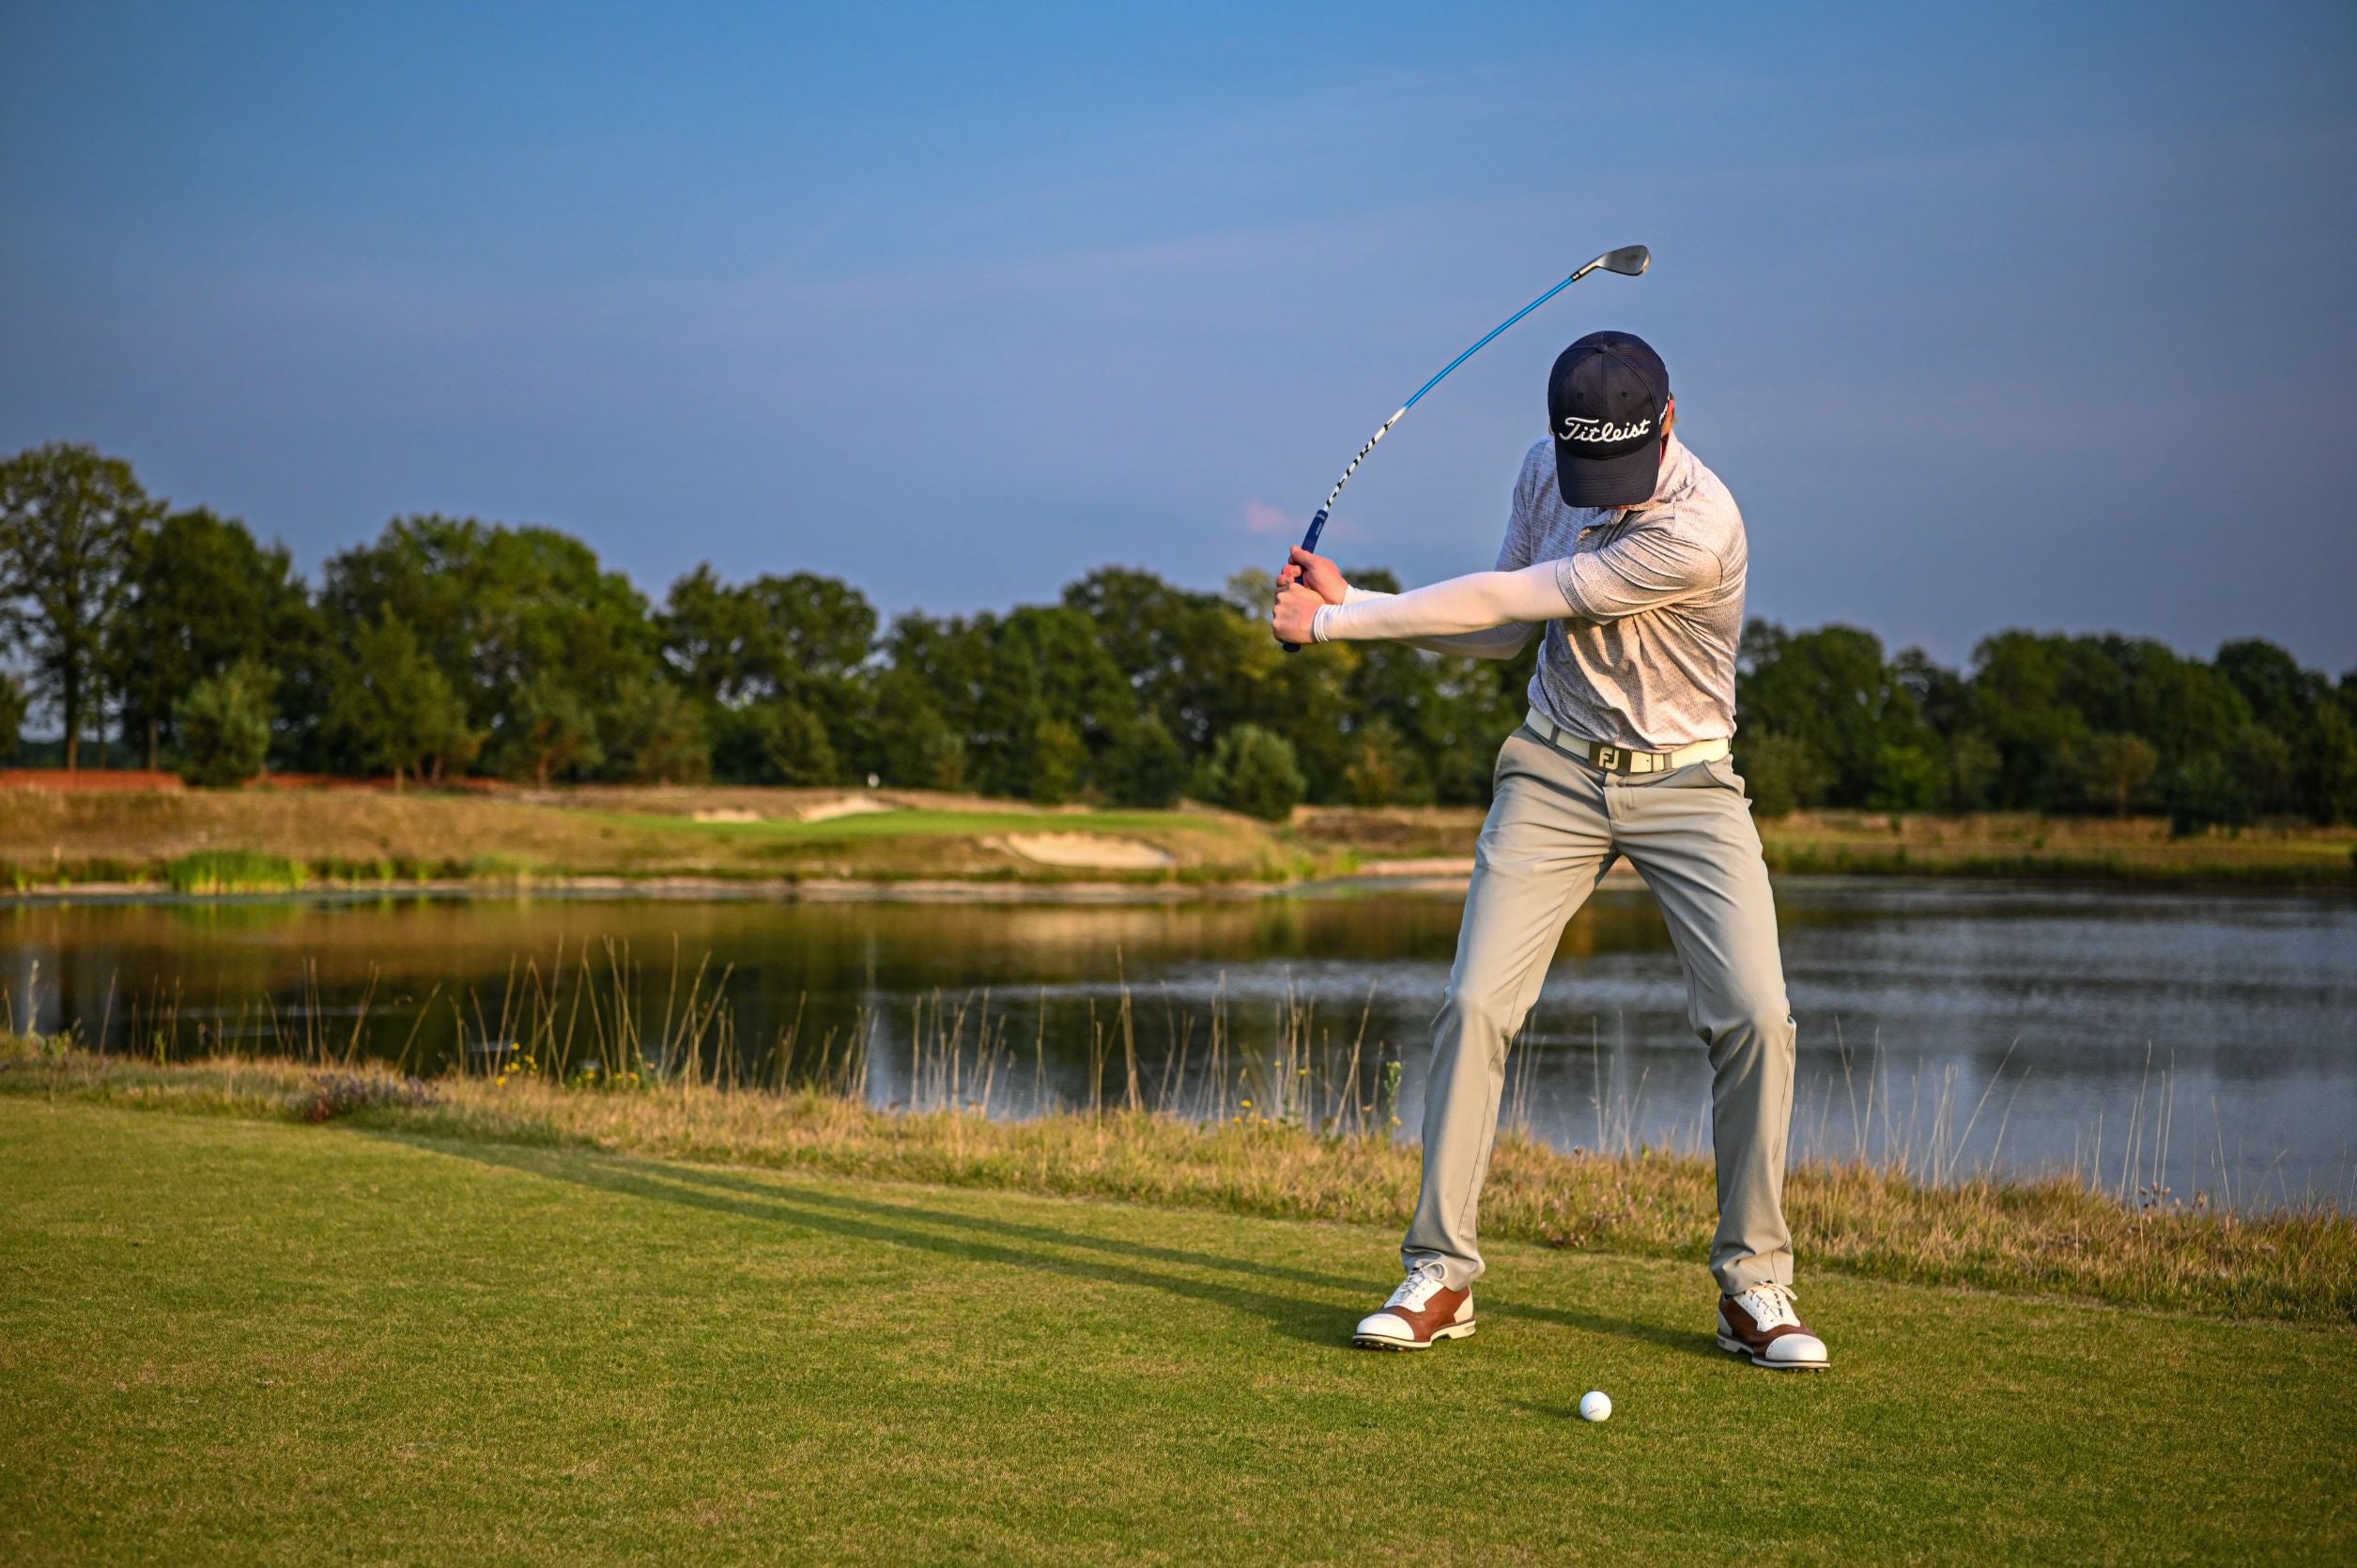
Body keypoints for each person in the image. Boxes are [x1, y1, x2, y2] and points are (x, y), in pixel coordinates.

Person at [1269, 330, 1828, 1372]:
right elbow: (1494, 631)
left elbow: (1515, 600)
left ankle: (1752, 1283)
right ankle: (1438, 1269)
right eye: (1585, 469)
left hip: (1689, 783)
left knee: (1754, 1016)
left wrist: (1337, 621)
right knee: (1475, 1004)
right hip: (1554, 770)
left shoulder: (1697, 527)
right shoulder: (1545, 470)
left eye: (1619, 469)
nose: (1599, 494)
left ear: (1666, 421)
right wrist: (1355, 598)